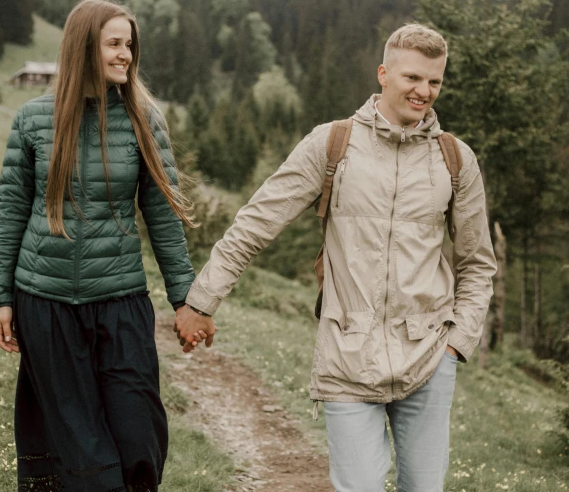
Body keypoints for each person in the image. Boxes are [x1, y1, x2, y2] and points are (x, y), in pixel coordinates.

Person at [175, 24, 497, 491]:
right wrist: (202, 301)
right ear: (383, 74)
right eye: (412, 78)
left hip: (429, 354)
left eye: (434, 82)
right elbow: (255, 224)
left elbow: (477, 263)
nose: (423, 91)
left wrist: (456, 344)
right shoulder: (333, 144)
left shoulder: (455, 159)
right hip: (348, 354)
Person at [0, 0, 199, 491]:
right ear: (84, 47)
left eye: (129, 45)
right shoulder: (33, 120)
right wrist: (2, 297)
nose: (126, 54)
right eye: (114, 44)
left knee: (138, 435)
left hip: (121, 303)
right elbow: (12, 211)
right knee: (80, 446)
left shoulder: (145, 120)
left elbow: (163, 217)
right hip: (46, 306)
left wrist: (186, 298)